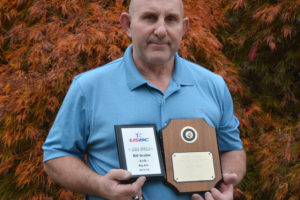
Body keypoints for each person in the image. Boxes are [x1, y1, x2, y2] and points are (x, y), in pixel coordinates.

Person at [42, 0, 246, 199]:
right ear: (127, 25)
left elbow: (232, 150)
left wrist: (224, 184)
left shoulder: (213, 85)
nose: (161, 30)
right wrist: (100, 186)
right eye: (150, 18)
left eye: (171, 19)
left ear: (184, 27)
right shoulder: (89, 87)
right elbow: (56, 156)